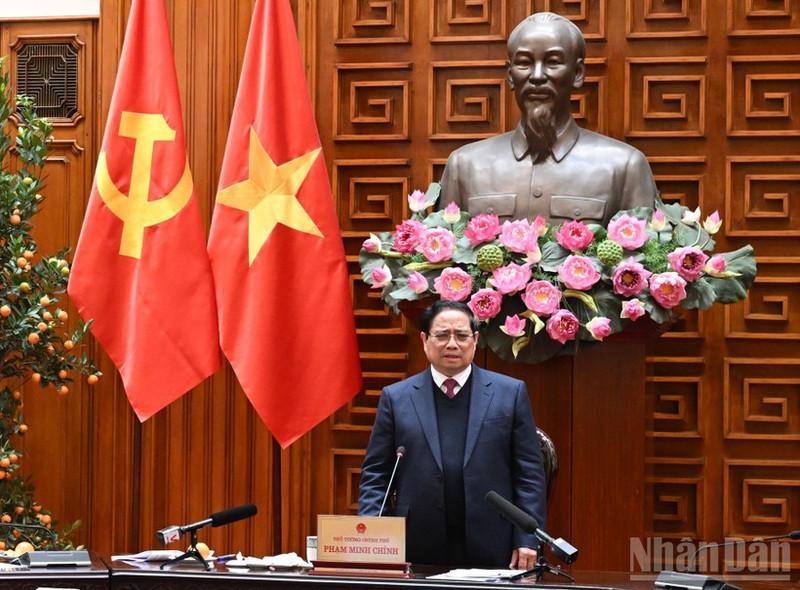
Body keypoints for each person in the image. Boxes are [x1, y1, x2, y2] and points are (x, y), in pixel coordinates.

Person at [358, 300, 547, 569]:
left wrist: (528, 538)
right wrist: (370, 537)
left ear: (475, 339)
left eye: (461, 335)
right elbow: (376, 476)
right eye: (442, 335)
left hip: (494, 541)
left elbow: (529, 474)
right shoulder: (396, 398)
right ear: (424, 340)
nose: (452, 344)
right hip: (416, 544)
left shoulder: (510, 393)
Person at [439, 12, 657, 226]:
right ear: (510, 75)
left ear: (578, 73)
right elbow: (438, 255)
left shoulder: (624, 166)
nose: (537, 76)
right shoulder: (465, 165)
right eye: (524, 63)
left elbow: (642, 257)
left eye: (553, 62)